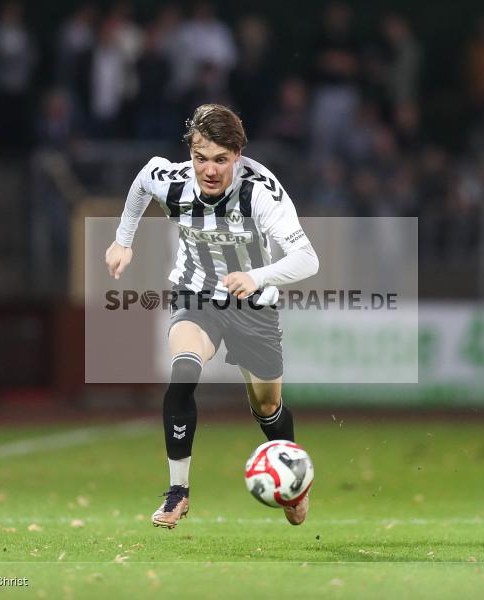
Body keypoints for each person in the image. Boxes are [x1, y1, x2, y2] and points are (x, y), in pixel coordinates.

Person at [105, 104, 319, 528]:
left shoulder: (261, 191)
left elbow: (308, 259)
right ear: (191, 153)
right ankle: (177, 492)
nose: (210, 170)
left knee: (267, 406)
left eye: (221, 159)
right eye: (201, 158)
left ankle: (293, 482)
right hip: (196, 293)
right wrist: (122, 241)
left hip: (254, 304)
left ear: (238, 155)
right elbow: (143, 179)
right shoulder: (175, 181)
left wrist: (257, 277)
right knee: (182, 374)